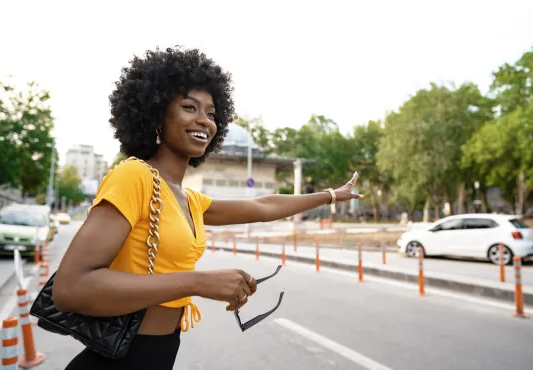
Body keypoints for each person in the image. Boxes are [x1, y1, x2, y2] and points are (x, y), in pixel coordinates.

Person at [53, 46, 364, 370]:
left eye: (212, 114)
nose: (205, 121)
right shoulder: (134, 176)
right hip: (119, 358)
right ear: (156, 114)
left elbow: (262, 205)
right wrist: (198, 282)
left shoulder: (184, 197)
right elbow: (71, 288)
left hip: (159, 354)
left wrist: (330, 195)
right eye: (189, 107)